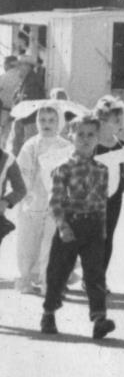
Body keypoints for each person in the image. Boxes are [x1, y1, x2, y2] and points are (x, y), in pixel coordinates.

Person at [40, 112, 113, 340]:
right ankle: (49, 312)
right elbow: (55, 200)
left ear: (98, 138)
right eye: (80, 134)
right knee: (58, 271)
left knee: (95, 273)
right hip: (70, 225)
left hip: (93, 227)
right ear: (71, 135)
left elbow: (102, 202)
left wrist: (102, 231)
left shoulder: (102, 170)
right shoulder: (63, 168)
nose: (85, 139)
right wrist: (62, 225)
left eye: (91, 134)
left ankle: (99, 318)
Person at [9, 102, 72, 298]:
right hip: (34, 199)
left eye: (52, 120)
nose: (47, 124)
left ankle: (49, 282)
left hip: (57, 201)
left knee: (51, 243)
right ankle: (26, 277)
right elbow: (22, 171)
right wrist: (26, 188)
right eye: (43, 120)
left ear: (59, 122)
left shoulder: (66, 146)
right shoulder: (31, 145)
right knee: (28, 241)